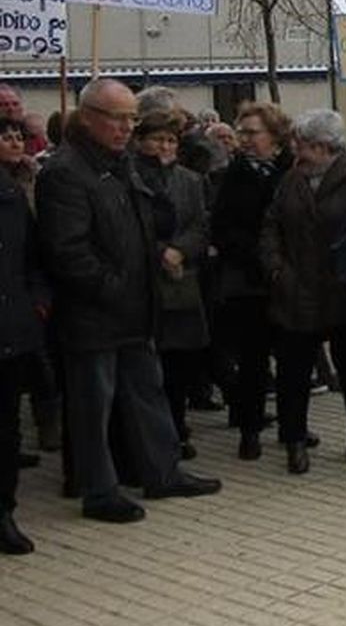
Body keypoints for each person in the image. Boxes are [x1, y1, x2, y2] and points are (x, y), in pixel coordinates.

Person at [36, 78, 222, 522]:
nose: (124, 128)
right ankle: (98, 490)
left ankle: (162, 470)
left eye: (130, 119)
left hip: (137, 307)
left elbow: (143, 227)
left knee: (147, 392)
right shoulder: (66, 171)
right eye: (116, 118)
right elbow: (68, 251)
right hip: (95, 313)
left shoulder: (122, 165)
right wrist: (114, 287)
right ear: (87, 118)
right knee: (93, 405)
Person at [261, 109, 346, 470]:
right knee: (294, 371)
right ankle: (295, 439)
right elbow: (271, 224)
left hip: (344, 291)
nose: (298, 152)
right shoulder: (292, 179)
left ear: (326, 147)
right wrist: (276, 268)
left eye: (305, 146)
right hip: (297, 289)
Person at [212, 101, 292, 460]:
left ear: (274, 137)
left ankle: (295, 426)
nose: (244, 140)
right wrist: (257, 257)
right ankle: (249, 428)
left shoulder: (290, 171)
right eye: (241, 132)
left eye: (252, 133)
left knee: (292, 357)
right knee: (253, 359)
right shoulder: (233, 175)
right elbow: (223, 228)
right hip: (249, 281)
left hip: (288, 277)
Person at [131, 111, 212, 463]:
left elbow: (200, 223)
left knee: (180, 365)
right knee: (150, 368)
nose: (164, 146)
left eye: (170, 140)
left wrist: (181, 250)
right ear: (140, 141)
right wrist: (162, 252)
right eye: (157, 139)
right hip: (144, 281)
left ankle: (177, 429)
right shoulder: (130, 177)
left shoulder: (190, 181)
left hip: (181, 283)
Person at [0, 113, 47, 553]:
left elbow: (33, 257)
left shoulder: (13, 195)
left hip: (12, 328)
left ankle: (4, 511)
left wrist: (36, 300)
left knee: (7, 425)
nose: (12, 142)